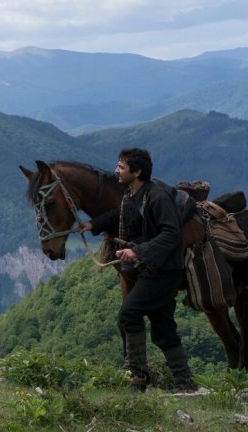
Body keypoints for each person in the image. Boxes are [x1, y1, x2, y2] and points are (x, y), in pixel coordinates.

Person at [80, 148, 198, 392]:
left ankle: (137, 376)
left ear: (137, 172)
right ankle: (184, 381)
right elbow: (122, 214)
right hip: (151, 268)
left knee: (129, 313)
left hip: (163, 271)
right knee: (164, 327)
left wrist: (138, 251)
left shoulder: (158, 197)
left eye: (121, 167)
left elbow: (171, 233)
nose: (116, 170)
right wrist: (94, 224)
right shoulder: (132, 194)